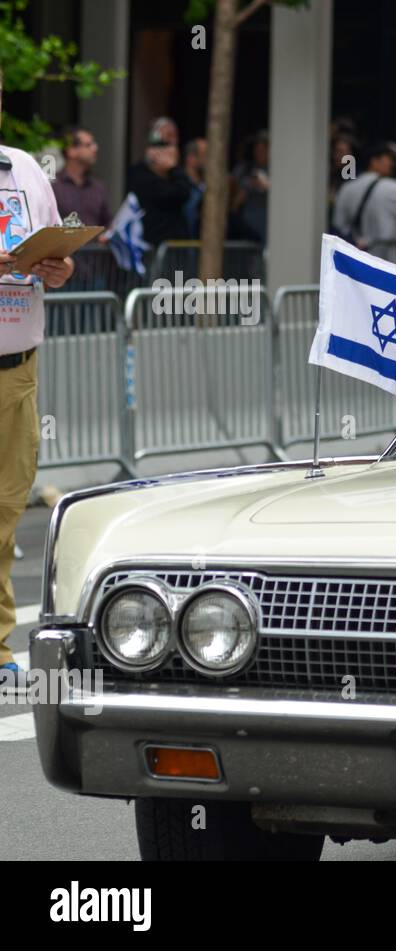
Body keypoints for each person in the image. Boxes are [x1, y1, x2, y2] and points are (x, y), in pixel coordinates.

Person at [0, 67, 76, 689]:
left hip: (18, 368)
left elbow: (59, 255)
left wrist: (58, 265)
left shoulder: (25, 167)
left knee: (4, 512)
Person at [126, 122, 191, 247]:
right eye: (163, 144)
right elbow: (179, 193)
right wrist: (173, 168)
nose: (172, 146)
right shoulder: (140, 175)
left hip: (177, 250)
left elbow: (185, 192)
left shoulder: (173, 175)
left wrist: (174, 170)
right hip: (152, 247)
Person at [51, 126, 111, 231]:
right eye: (88, 145)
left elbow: (107, 223)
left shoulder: (97, 186)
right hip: (65, 247)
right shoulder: (54, 186)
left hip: (95, 247)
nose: (95, 148)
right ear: (71, 151)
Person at [232, 131, 269, 242]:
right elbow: (236, 197)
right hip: (249, 220)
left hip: (268, 220)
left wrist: (266, 185)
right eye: (257, 150)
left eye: (262, 150)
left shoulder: (277, 170)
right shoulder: (246, 169)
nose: (258, 154)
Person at [181, 138, 206, 238]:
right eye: (205, 155)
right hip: (188, 246)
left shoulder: (205, 185)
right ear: (191, 158)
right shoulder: (181, 187)